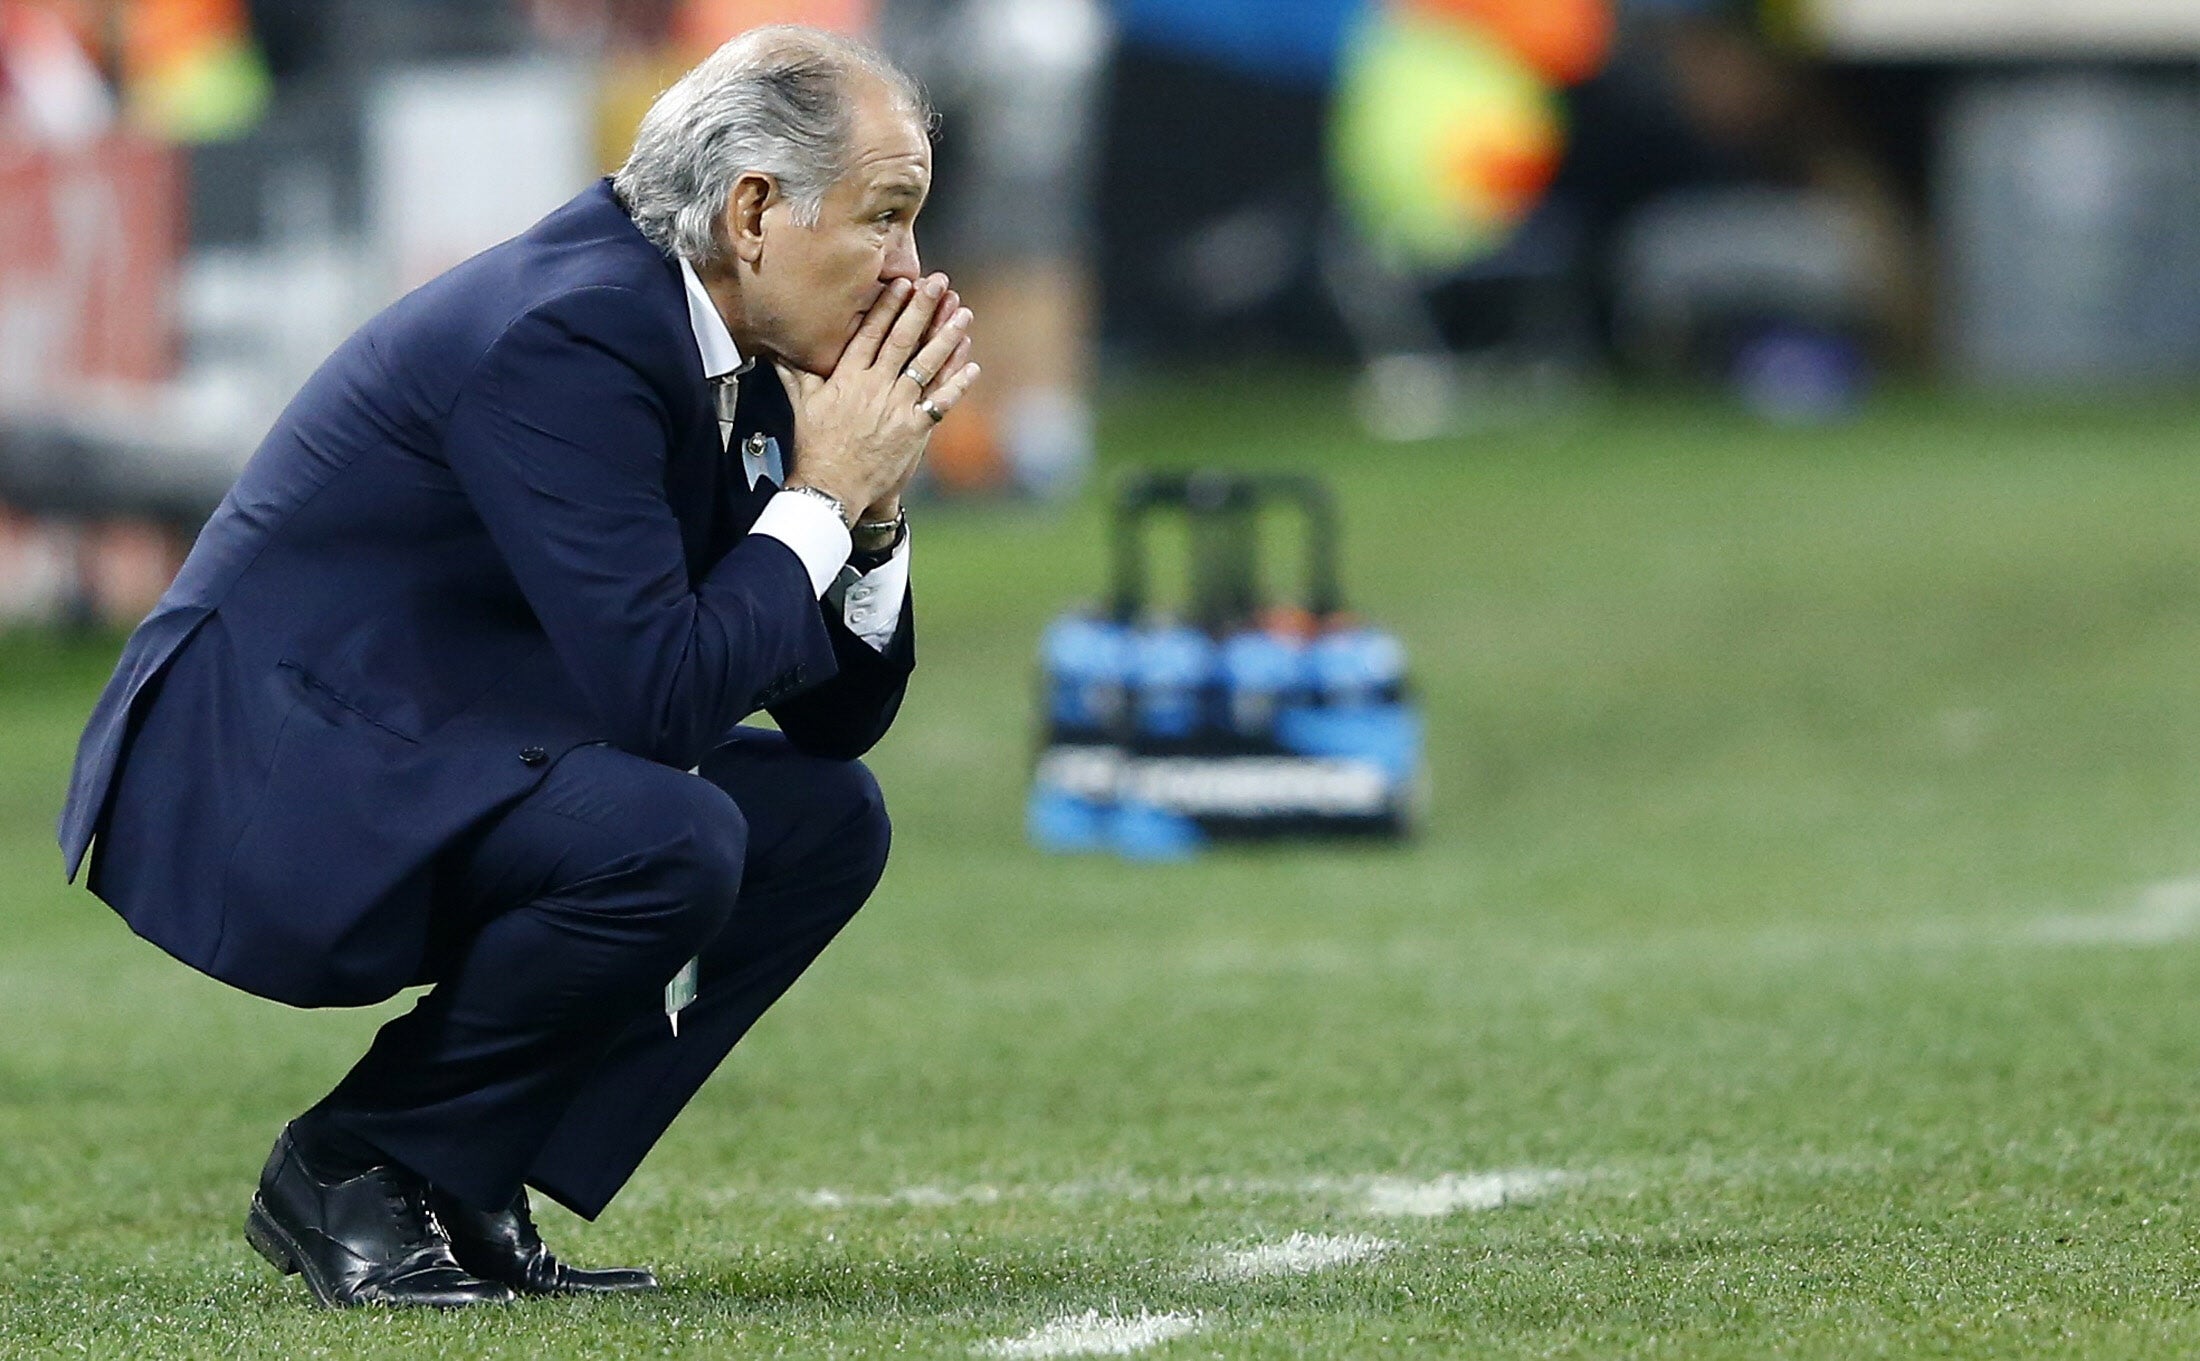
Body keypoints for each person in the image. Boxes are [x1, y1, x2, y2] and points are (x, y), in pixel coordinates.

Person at [57, 24, 977, 1308]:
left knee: (818, 818)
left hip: (434, 733)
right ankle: (355, 1161)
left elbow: (836, 722)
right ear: (754, 211)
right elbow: (664, 695)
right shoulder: (576, 329)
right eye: (887, 216)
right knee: (670, 835)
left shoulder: (743, 334)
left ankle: (461, 1166)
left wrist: (868, 516)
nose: (911, 270)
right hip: (269, 768)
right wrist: (821, 495)